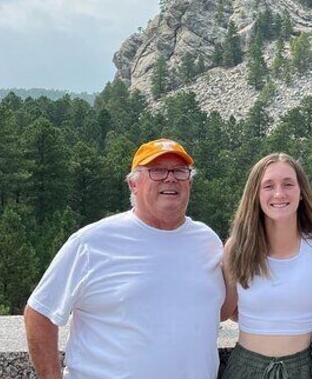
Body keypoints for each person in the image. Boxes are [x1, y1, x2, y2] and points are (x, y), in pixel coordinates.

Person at [24, 138, 225, 379]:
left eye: (180, 171)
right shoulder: (91, 242)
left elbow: (217, 310)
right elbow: (39, 313)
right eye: (157, 171)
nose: (170, 178)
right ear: (133, 184)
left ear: (189, 183)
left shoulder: (208, 241)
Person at [221, 153, 312, 379]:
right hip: (245, 368)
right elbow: (226, 311)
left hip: (303, 367)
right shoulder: (236, 249)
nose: (279, 193)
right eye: (268, 186)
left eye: (288, 184)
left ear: (301, 192)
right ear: (255, 194)